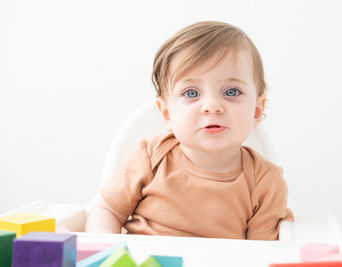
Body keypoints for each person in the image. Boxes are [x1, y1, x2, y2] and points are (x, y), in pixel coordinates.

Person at [85, 21, 294, 240]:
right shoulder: (150, 158)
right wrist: (109, 249)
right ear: (166, 114)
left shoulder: (265, 182)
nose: (212, 105)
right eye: (192, 93)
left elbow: (262, 254)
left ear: (256, 111)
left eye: (231, 91)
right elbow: (105, 212)